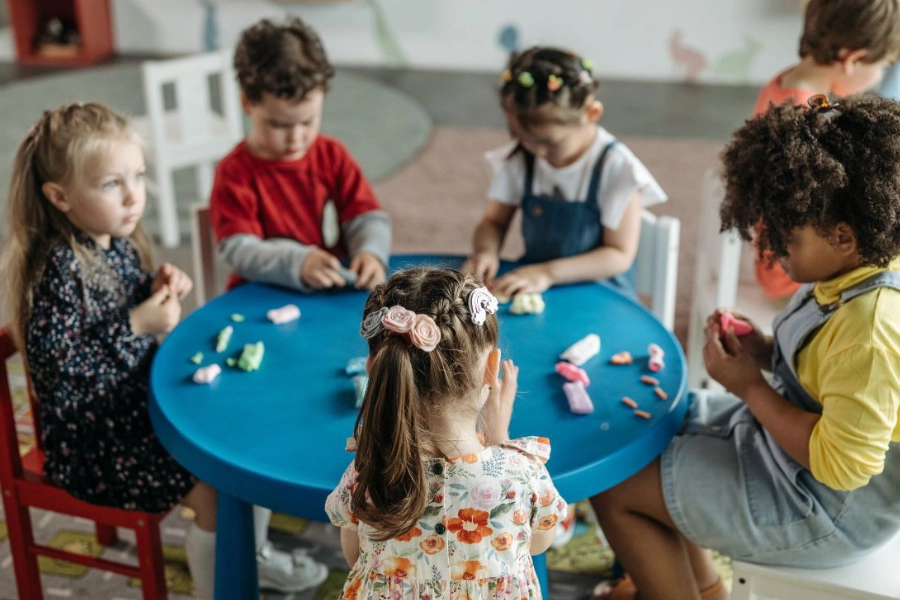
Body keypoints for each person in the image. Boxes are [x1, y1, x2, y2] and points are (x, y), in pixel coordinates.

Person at [0, 103, 326, 599]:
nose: (135, 196)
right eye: (112, 184)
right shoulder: (57, 272)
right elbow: (62, 369)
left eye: (139, 176)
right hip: (93, 444)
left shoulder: (111, 241)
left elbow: (119, 308)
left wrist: (154, 287)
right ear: (59, 196)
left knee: (243, 443)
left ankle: (252, 558)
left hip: (134, 408)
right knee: (220, 488)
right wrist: (137, 322)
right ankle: (223, 587)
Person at [589, 95, 900, 600]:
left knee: (616, 487)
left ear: (843, 237)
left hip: (828, 510)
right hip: (787, 456)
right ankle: (704, 590)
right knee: (645, 432)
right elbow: (828, 376)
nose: (774, 250)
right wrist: (763, 351)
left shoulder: (873, 330)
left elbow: (841, 467)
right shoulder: (850, 269)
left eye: (788, 239)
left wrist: (752, 389)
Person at [325, 268, 567, 599]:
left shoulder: (367, 473)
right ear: (491, 370)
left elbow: (356, 557)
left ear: (376, 370)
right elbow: (539, 543)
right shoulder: (522, 476)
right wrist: (500, 440)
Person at [463, 46, 666, 298]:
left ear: (591, 114)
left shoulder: (616, 168)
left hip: (600, 293)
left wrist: (547, 273)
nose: (537, 151)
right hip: (537, 287)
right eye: (523, 138)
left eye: (549, 143)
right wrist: (486, 251)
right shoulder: (522, 158)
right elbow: (494, 221)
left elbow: (618, 254)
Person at [210, 17, 391, 293]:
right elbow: (239, 250)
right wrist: (297, 262)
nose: (296, 137)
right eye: (279, 125)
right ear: (248, 103)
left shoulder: (332, 155)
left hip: (321, 284)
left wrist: (370, 251)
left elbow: (365, 216)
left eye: (307, 122)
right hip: (258, 292)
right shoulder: (235, 172)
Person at [752, 0, 900, 300]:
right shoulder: (805, 117)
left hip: (780, 252)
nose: (880, 76)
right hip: (796, 274)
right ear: (852, 59)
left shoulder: (786, 82)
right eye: (883, 67)